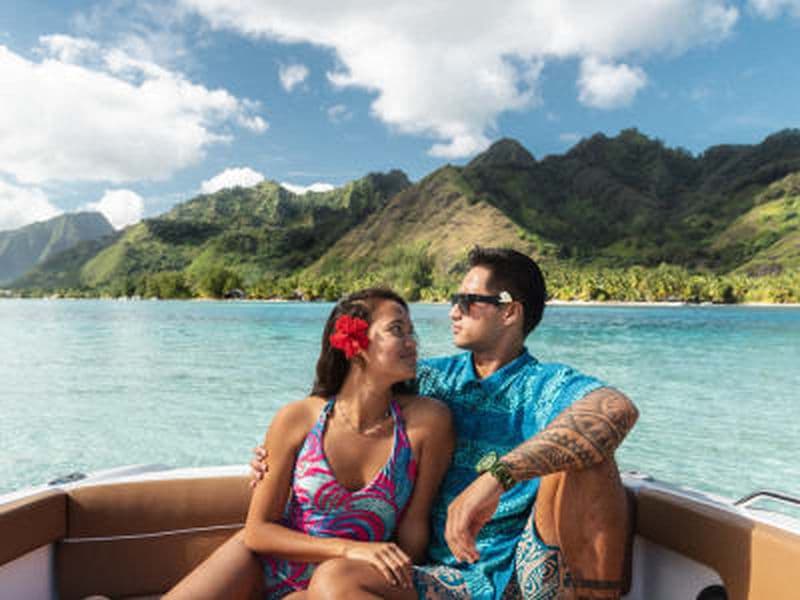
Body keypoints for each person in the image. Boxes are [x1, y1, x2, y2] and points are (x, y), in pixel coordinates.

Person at [255, 247, 638, 599]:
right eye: (456, 301)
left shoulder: (546, 385)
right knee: (335, 580)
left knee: (589, 452)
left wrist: (496, 478)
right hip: (441, 575)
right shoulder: (430, 380)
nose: (454, 311)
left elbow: (616, 408)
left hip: (523, 571)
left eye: (468, 302)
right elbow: (350, 397)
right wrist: (271, 455)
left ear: (509, 311)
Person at [165, 288, 454, 600]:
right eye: (397, 330)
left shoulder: (425, 423)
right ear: (355, 345)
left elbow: (414, 526)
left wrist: (398, 578)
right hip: (266, 564)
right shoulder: (298, 419)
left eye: (412, 331)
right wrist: (350, 549)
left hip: (344, 582)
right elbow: (258, 531)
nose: (412, 342)